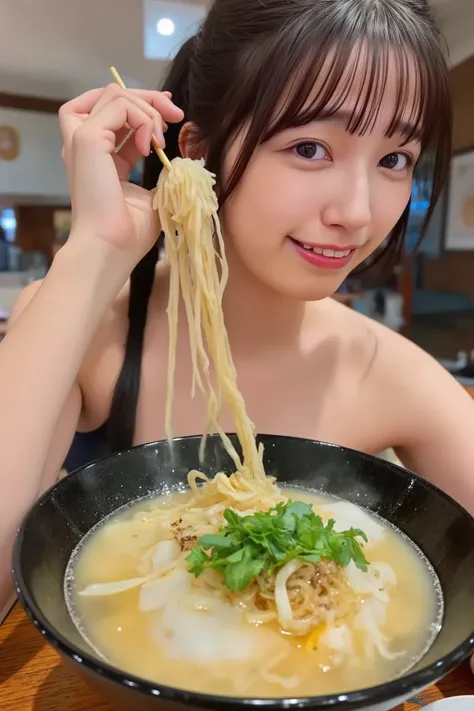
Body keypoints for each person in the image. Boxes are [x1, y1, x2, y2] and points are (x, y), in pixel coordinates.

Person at [1, 0, 474, 621]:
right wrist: (95, 250)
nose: (357, 212)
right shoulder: (87, 326)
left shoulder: (389, 370)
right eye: (310, 147)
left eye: (394, 160)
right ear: (198, 154)